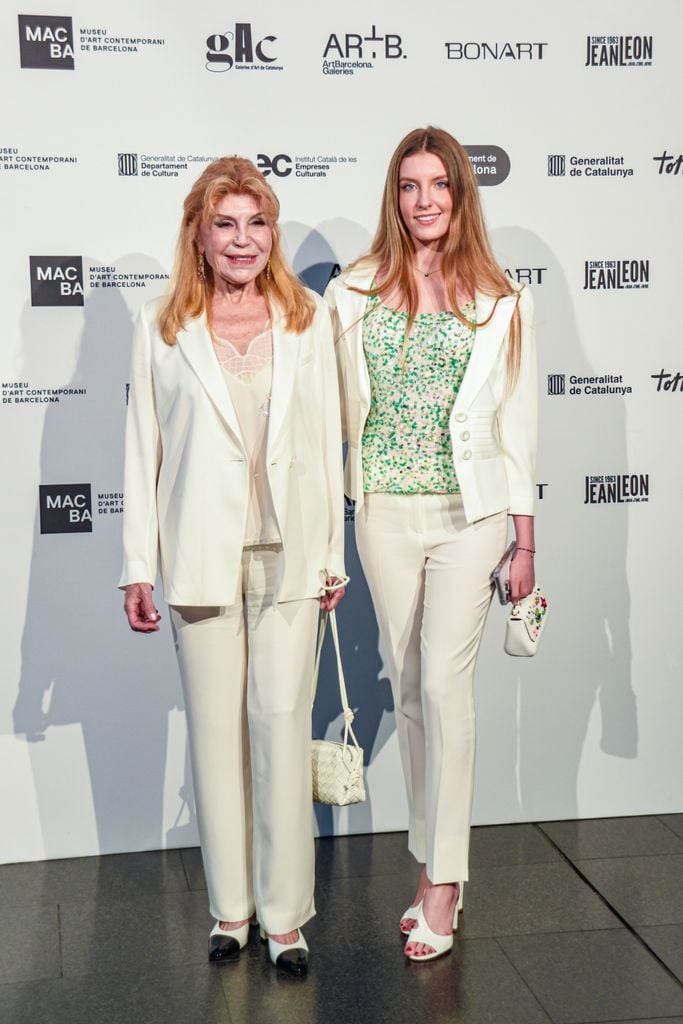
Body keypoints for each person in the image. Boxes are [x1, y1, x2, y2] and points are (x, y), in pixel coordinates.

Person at [120, 156, 346, 976]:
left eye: (256, 224)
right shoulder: (161, 325)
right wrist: (135, 564)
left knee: (281, 731)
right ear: (200, 236)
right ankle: (232, 910)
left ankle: (286, 919)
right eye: (226, 224)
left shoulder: (308, 318)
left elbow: (328, 444)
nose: (242, 240)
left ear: (270, 234)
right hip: (198, 562)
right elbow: (140, 450)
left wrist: (330, 557)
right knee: (217, 738)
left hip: (289, 558)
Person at [325, 127, 537, 962]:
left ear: (459, 195)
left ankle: (445, 883)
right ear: (395, 194)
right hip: (381, 513)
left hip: (469, 517)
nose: (423, 200)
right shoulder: (352, 292)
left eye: (437, 185)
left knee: (447, 692)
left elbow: (518, 428)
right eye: (409, 185)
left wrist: (524, 544)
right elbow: (333, 412)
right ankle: (427, 863)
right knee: (411, 691)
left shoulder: (501, 298)